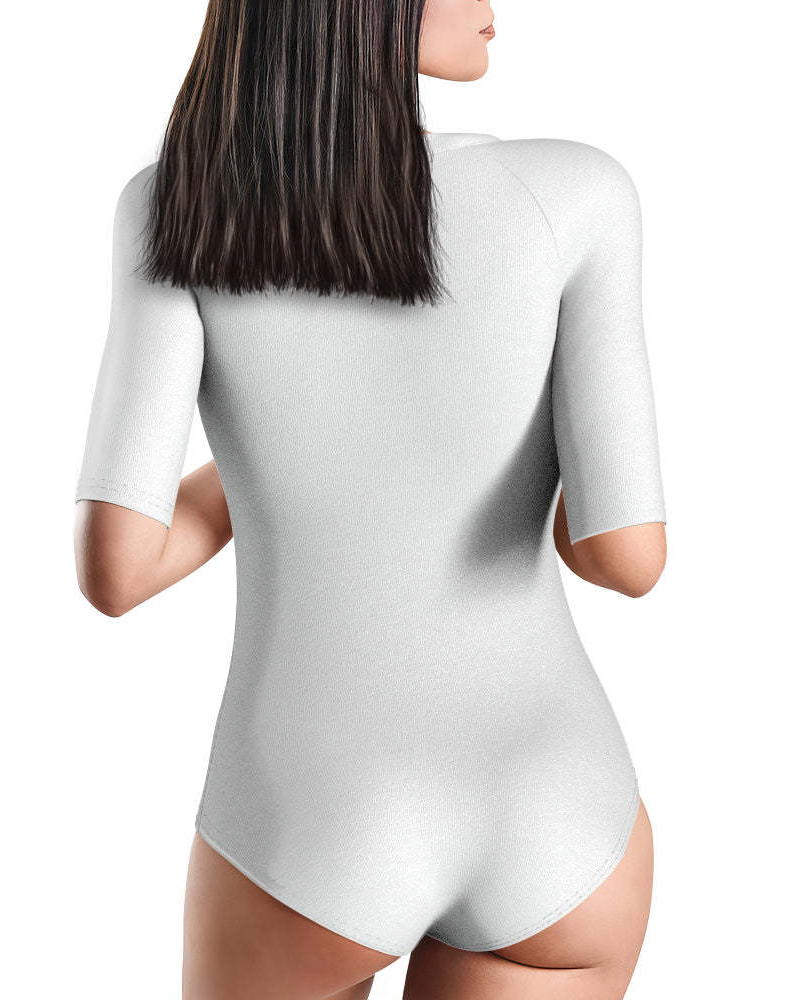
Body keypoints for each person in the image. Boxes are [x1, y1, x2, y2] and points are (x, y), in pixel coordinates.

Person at [73, 1, 667, 997]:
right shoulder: (577, 192)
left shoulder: (177, 203)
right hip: (555, 798)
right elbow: (625, 557)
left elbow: (120, 569)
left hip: (303, 811)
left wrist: (288, 470)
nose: (490, 7)